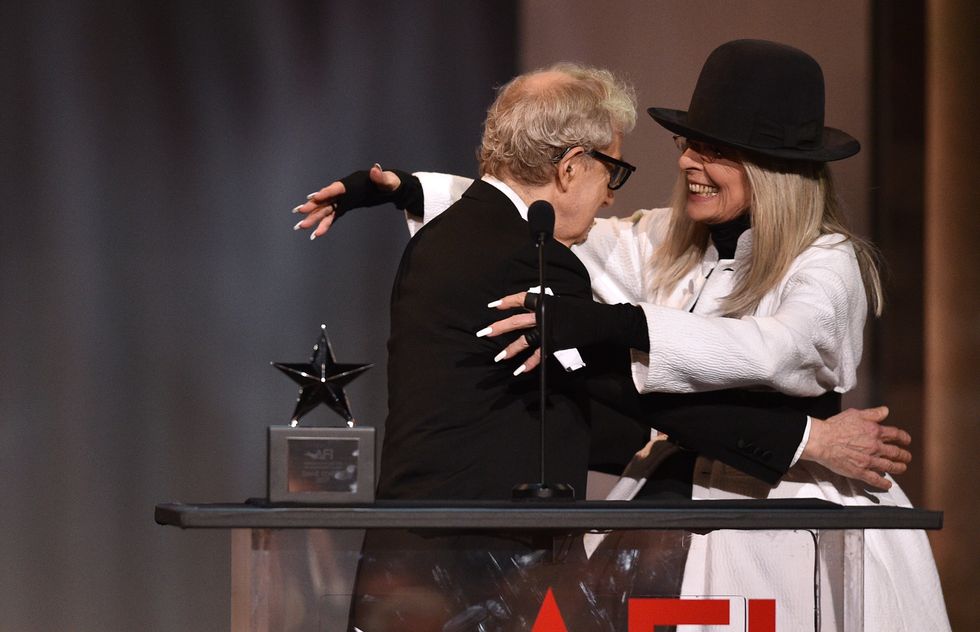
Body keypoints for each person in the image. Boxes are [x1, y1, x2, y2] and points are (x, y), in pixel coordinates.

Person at [300, 41, 948, 631]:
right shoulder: (664, 240)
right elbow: (531, 206)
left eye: (715, 150)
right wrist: (412, 188)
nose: (687, 162)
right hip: (664, 508)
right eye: (689, 143)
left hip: (790, 507)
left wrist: (808, 439)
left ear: (774, 169)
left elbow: (780, 349)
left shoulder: (828, 261)